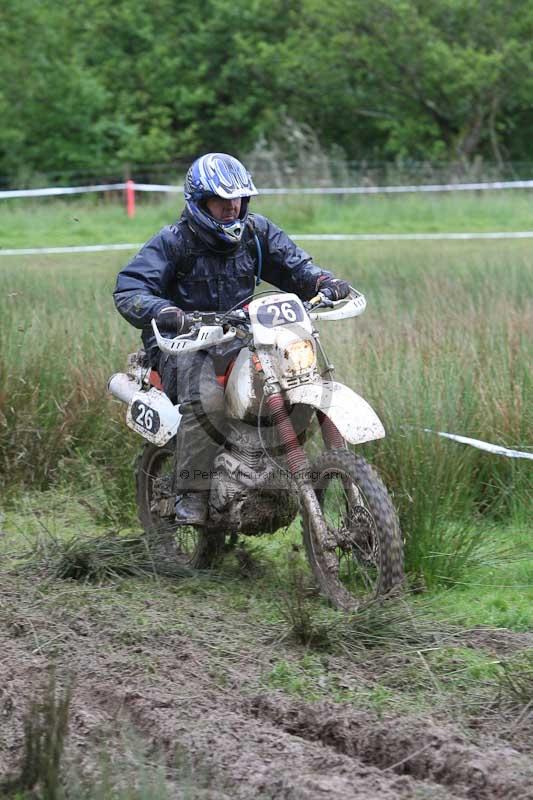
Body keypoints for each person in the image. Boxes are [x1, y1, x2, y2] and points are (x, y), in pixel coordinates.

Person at [114, 152, 350, 525]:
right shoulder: (174, 242)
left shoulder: (256, 233)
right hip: (185, 346)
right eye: (222, 200)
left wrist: (323, 282)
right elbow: (130, 288)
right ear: (199, 202)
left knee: (298, 375)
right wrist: (164, 312)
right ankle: (190, 492)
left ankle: (277, 466)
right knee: (207, 398)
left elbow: (295, 266)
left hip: (245, 337)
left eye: (238, 198)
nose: (231, 207)